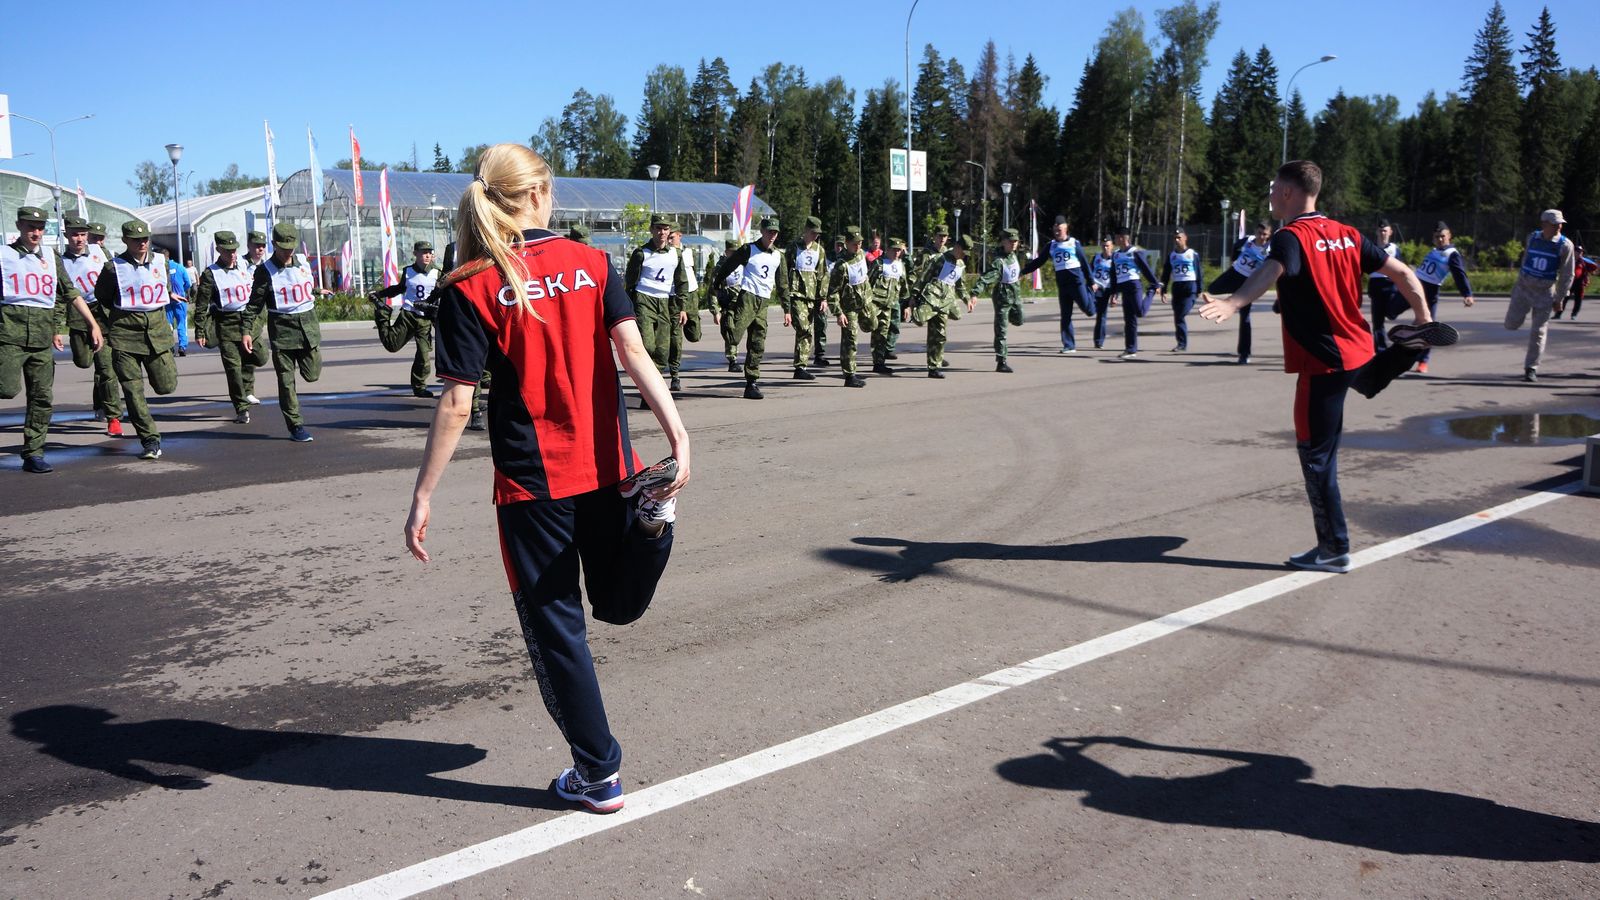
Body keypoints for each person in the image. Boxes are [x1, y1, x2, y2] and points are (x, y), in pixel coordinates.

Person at [405, 143, 690, 814]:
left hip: (533, 486)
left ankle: (598, 774)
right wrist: (678, 434)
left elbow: (457, 401)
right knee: (616, 602)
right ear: (538, 195)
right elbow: (633, 351)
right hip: (610, 466)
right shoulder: (593, 263)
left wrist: (422, 496)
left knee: (558, 629)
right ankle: (652, 529)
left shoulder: (469, 284)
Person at [1198, 160, 1443, 574]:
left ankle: (1333, 548)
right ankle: (1408, 346)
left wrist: (1234, 302)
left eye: (1274, 189)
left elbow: (1270, 271)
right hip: (1356, 350)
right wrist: (1424, 318)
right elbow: (1403, 272)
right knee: (1364, 379)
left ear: (1289, 192)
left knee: (1316, 456)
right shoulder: (1348, 233)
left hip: (1322, 362)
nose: (1270, 195)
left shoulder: (1290, 236)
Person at [2, 206, 102, 473]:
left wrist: (92, 324)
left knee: (42, 397)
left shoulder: (51, 257)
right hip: (9, 336)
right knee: (6, 389)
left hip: (42, 339)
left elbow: (70, 292)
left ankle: (33, 453)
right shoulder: (4, 256)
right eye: (30, 227)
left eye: (40, 228)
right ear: (19, 226)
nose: (35, 233)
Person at [240, 223, 333, 442]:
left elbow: (301, 286)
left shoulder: (302, 262)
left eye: (291, 247)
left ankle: (295, 422)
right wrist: (246, 331)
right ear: (274, 244)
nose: (288, 252)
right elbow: (254, 304)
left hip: (308, 329)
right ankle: (295, 426)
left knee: (312, 375)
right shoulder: (265, 271)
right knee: (286, 381)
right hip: (282, 333)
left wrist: (317, 290)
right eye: (283, 248)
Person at [93, 221, 177, 459]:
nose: (142, 243)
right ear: (125, 241)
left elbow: (163, 288)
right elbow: (103, 297)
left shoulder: (161, 261)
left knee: (166, 386)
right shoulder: (113, 268)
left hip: (157, 334)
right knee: (132, 391)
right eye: (135, 239)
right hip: (125, 337)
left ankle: (150, 437)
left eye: (145, 239)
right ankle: (150, 440)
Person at [191, 231, 269, 423]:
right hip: (226, 324)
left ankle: (247, 387)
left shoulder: (244, 264)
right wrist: (199, 330)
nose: (232, 254)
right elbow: (201, 304)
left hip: (249, 322)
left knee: (260, 357)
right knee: (233, 369)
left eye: (234, 250)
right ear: (219, 249)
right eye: (227, 251)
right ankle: (241, 408)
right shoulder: (211, 274)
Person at [710, 217, 790, 399]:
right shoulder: (749, 249)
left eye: (775, 232)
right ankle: (728, 314)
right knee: (734, 337)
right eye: (769, 231)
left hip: (763, 301)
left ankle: (751, 382)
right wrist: (718, 283)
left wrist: (787, 309)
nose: (772, 235)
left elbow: (783, 284)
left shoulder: (778, 256)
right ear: (762, 231)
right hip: (748, 297)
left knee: (757, 341)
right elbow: (729, 265)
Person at [59, 215, 123, 434]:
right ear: (66, 235)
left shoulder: (100, 252)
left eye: (83, 234)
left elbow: (118, 277)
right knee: (84, 362)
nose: (79, 239)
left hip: (102, 314)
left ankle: (113, 417)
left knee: (107, 368)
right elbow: (58, 296)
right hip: (78, 316)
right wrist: (55, 328)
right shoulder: (60, 261)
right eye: (74, 234)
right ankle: (100, 398)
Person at [1505, 209, 1577, 382]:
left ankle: (1531, 368)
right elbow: (1525, 260)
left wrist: (1560, 298)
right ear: (1544, 224)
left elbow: (1568, 274)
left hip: (1545, 292)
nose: (1559, 226)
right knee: (1511, 324)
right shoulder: (1532, 238)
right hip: (1524, 288)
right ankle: (1519, 318)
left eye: (1560, 224)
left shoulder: (1565, 245)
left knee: (1538, 332)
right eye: (1555, 224)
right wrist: (1518, 284)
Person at [623, 216, 688, 398]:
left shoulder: (676, 254)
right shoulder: (641, 253)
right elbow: (630, 282)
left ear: (670, 231)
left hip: (664, 302)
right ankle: (647, 389)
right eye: (658, 228)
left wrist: (682, 308)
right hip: (644, 300)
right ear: (652, 230)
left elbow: (681, 282)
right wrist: (628, 307)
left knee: (662, 351)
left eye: (665, 229)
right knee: (648, 346)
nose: (662, 232)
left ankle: (653, 389)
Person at [369, 240, 441, 398]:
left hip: (425, 319)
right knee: (392, 345)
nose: (427, 255)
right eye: (424, 252)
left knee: (423, 355)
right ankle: (382, 315)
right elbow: (399, 289)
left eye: (429, 253)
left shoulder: (437, 273)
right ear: (415, 254)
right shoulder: (408, 271)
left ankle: (419, 387)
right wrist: (380, 294)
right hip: (408, 315)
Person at [1021, 216, 1094, 353]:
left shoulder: (1074, 243)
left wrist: (1092, 282)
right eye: (1055, 229)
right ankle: (1069, 345)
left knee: (1089, 310)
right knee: (1065, 315)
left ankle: (1092, 296)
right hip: (1063, 285)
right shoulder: (1051, 245)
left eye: (1059, 228)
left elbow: (1084, 263)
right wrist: (1023, 271)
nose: (1056, 231)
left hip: (1077, 283)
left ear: (1066, 228)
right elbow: (1039, 261)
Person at [1205, 221, 1272, 364]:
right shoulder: (1248, 240)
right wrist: (1234, 259)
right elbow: (1236, 246)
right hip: (1234, 273)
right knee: (1212, 289)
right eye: (1259, 233)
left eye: (1265, 234)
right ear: (1255, 231)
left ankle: (1244, 354)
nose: (1261, 237)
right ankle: (1234, 295)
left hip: (1247, 283)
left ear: (1269, 235)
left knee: (1245, 318)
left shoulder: (1269, 249)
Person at [1411, 224, 1475, 373]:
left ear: (1449, 236)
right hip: (1416, 287)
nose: (1440, 239)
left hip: (1430, 292)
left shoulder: (1452, 254)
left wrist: (1467, 294)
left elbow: (1459, 275)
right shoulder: (1433, 251)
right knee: (1401, 317)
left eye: (1442, 236)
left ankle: (1423, 361)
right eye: (1437, 237)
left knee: (1427, 325)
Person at [911, 234, 976, 378]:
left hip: (946, 302)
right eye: (963, 252)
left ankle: (934, 367)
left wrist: (967, 300)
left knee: (939, 336)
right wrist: (914, 296)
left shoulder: (960, 265)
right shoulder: (939, 259)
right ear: (957, 247)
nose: (964, 256)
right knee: (919, 319)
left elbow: (960, 286)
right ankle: (916, 312)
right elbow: (924, 277)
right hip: (932, 298)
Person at [973, 228, 1027, 372]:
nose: (1014, 244)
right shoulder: (999, 261)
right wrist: (975, 293)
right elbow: (986, 278)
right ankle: (1001, 361)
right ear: (1004, 242)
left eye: (1015, 241)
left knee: (1020, 320)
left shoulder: (1013, 255)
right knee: (1001, 330)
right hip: (1002, 298)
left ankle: (1006, 318)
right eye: (1010, 241)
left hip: (1015, 296)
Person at [824, 226, 872, 387]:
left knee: (874, 325)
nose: (857, 246)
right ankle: (850, 375)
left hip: (865, 303)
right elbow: (832, 292)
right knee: (850, 339)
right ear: (846, 243)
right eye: (854, 244)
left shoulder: (862, 255)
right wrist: (838, 313)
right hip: (849, 307)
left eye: (860, 243)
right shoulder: (841, 265)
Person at [1106, 227, 1159, 359]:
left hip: (1134, 285)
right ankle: (1130, 349)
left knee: (1140, 312)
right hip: (1123, 287)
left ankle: (1151, 291)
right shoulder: (1116, 255)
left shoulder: (1135, 252)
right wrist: (1114, 293)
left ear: (1123, 238)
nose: (1115, 240)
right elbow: (1113, 275)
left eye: (1116, 237)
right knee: (1129, 319)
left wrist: (1155, 283)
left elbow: (1146, 269)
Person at [786, 216, 829, 377]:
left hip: (812, 297)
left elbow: (823, 275)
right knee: (804, 329)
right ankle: (800, 366)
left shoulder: (819, 250)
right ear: (806, 230)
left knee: (807, 331)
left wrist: (823, 298)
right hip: (796, 294)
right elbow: (784, 270)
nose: (815, 235)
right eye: (813, 232)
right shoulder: (793, 247)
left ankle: (800, 367)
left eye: (817, 233)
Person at [1157, 228, 1205, 352]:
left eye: (1179, 237)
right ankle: (1181, 344)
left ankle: (1182, 343)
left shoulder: (1192, 254)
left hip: (1190, 287)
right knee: (1178, 316)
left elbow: (1199, 272)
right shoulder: (1171, 255)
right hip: (1177, 287)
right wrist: (1163, 290)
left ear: (1185, 238)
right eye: (1175, 238)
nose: (1177, 240)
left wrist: (1200, 288)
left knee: (1181, 314)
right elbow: (1166, 274)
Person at [868, 237, 911, 374]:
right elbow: (868, 282)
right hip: (876, 304)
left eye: (899, 250)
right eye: (894, 250)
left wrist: (907, 305)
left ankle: (879, 363)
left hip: (890, 304)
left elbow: (903, 286)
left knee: (883, 333)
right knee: (877, 332)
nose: (897, 253)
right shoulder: (879, 264)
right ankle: (878, 362)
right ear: (887, 249)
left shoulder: (900, 265)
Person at [1365, 220, 1403, 352]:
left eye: (1385, 231)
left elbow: (1401, 268)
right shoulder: (1370, 248)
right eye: (1380, 230)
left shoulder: (1394, 249)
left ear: (1390, 232)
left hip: (1390, 284)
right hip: (1376, 285)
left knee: (1391, 312)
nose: (1382, 233)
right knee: (1378, 321)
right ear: (1377, 232)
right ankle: (1381, 350)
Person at [709, 236, 742, 372]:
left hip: (742, 303)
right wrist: (715, 311)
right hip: (727, 304)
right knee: (729, 329)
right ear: (726, 252)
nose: (734, 254)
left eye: (736, 252)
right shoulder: (720, 267)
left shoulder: (743, 264)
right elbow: (713, 290)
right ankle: (732, 359)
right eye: (732, 252)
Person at [1088, 236, 1116, 349]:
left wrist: (1115, 295)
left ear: (1112, 246)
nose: (1105, 248)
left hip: (1107, 289)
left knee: (1101, 316)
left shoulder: (1115, 260)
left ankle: (1099, 341)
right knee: (1090, 309)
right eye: (1103, 246)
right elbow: (1089, 272)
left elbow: (1117, 278)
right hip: (1096, 287)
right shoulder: (1096, 257)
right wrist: (1091, 283)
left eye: (1107, 246)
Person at [165, 252, 192, 357]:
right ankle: (182, 346)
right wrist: (181, 291)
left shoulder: (161, 268)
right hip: (180, 300)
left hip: (167, 300)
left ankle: (170, 347)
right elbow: (188, 283)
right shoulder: (180, 267)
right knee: (181, 323)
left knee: (168, 324)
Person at [1558, 246, 1595, 319]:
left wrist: (1588, 273)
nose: (1579, 253)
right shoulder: (1569, 260)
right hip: (1570, 282)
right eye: (1578, 251)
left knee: (1578, 300)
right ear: (1573, 252)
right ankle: (1558, 314)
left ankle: (1574, 314)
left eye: (1581, 252)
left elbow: (1594, 267)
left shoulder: (1584, 261)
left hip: (1580, 283)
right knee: (1565, 298)